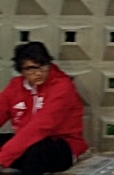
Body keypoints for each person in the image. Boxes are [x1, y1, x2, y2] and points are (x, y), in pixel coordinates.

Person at [0, 42, 88, 175]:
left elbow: (41, 126)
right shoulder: (15, 86)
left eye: (43, 66)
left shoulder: (62, 86)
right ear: (21, 70)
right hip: (25, 142)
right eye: (31, 69)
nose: (38, 73)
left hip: (60, 145)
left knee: (37, 149)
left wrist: (3, 158)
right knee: (26, 146)